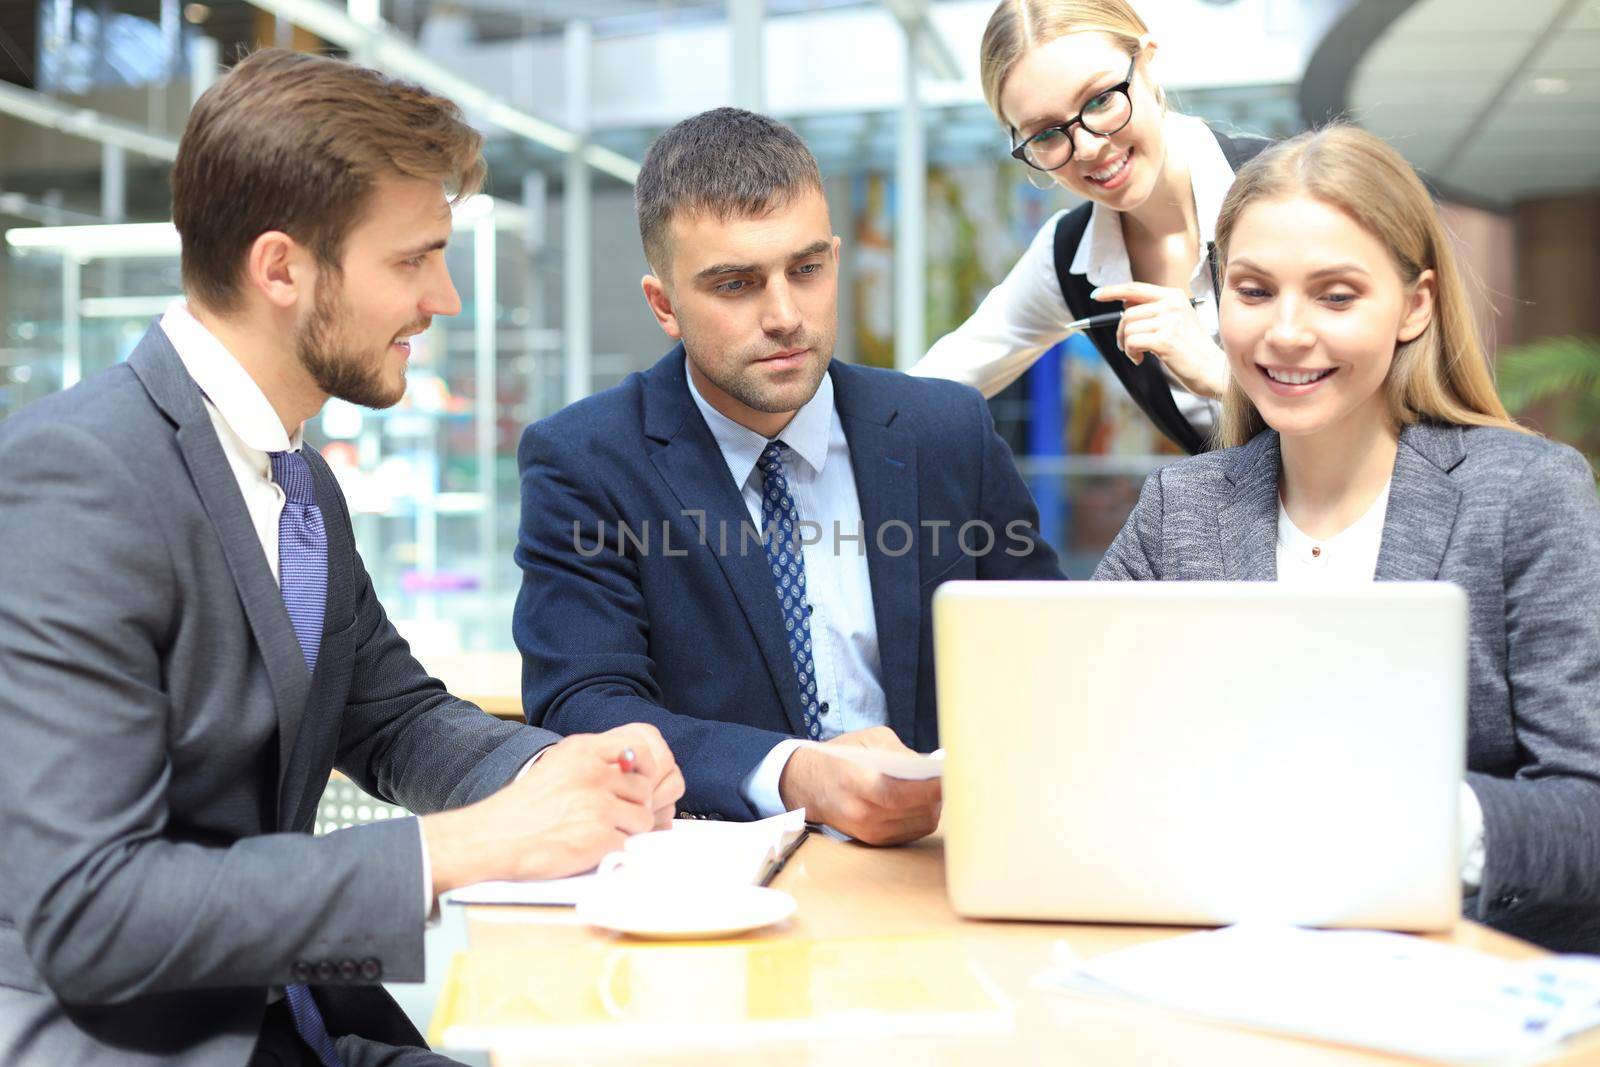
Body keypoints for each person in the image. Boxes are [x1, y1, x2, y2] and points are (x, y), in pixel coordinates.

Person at [0, 49, 683, 1066]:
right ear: (282, 269)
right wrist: (461, 846)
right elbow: (89, 910)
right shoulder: (80, 477)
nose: (443, 298)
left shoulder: (299, 481)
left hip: (289, 1020)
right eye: (412, 260)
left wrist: (563, 767)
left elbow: (394, 715)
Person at [1095, 124, 1600, 952]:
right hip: (1223, 959)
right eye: (1254, 291)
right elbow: (1076, 737)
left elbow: (1587, 807)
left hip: (1468, 978)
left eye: (1336, 295)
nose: (1286, 333)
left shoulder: (1527, 495)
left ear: (1415, 305)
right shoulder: (1178, 509)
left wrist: (1389, 818)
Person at [513, 108, 1063, 845]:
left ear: (834, 258)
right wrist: (796, 772)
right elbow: (583, 704)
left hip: (939, 859)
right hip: (718, 878)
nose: (785, 316)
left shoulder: (946, 431)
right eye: (735, 285)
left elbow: (1047, 651)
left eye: (806, 270)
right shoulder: (586, 460)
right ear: (663, 305)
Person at [910, 0, 1271, 455]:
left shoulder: (1292, 190)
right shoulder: (1069, 258)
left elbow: (1379, 388)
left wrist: (1219, 375)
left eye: (1100, 100)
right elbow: (925, 391)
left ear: (1149, 62)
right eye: (1044, 134)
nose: (1086, 148)